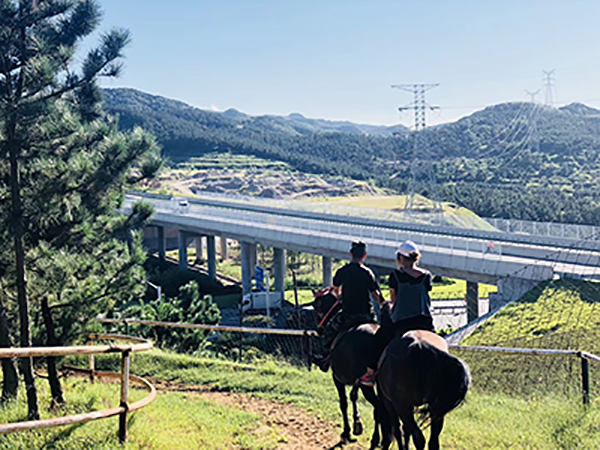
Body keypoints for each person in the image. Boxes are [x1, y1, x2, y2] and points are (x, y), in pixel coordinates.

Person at [358, 240, 434, 386]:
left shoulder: (395, 276)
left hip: (402, 322)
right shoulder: (427, 276)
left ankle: (370, 374)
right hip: (425, 321)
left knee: (378, 341)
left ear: (401, 258)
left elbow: (394, 300)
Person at [313, 241, 383, 371]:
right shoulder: (368, 272)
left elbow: (335, 290)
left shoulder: (342, 271)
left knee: (330, 330)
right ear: (365, 255)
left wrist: (339, 296)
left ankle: (325, 358)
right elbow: (375, 294)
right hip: (366, 314)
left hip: (348, 314)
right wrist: (383, 305)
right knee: (380, 335)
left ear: (351, 254)